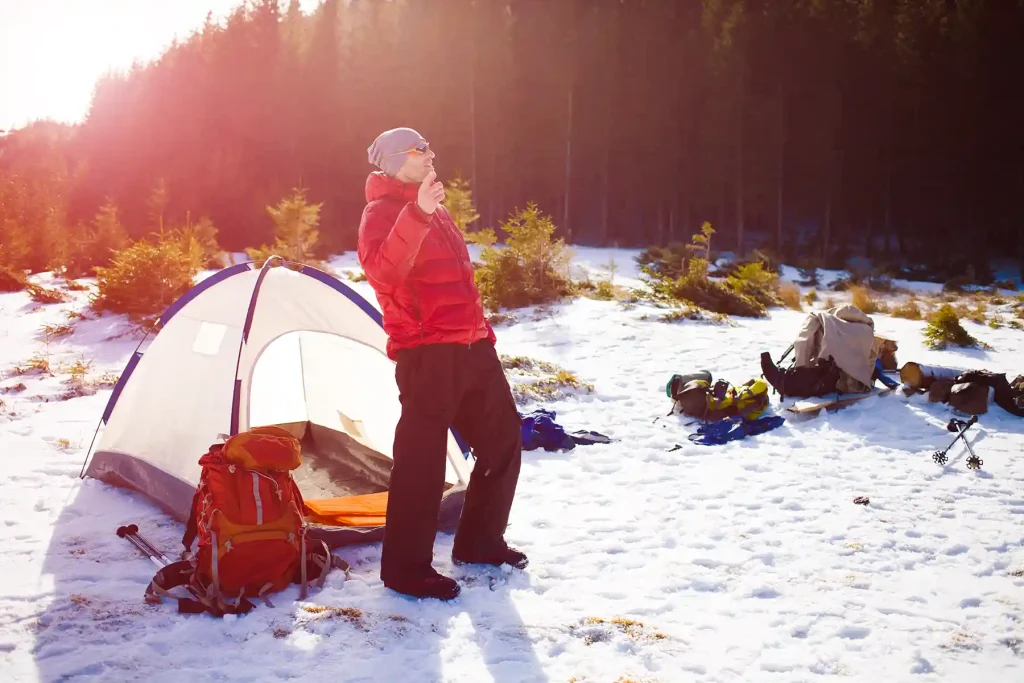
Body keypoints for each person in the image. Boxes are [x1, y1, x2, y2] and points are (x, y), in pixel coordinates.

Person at [357, 127, 526, 601]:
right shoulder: (382, 213)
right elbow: (384, 272)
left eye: (431, 145)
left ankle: (479, 543)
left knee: (503, 442)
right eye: (420, 149)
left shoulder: (433, 206)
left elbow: (458, 281)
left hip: (472, 348)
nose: (432, 153)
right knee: (422, 465)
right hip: (426, 353)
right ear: (394, 161)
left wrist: (482, 332)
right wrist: (419, 213)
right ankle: (407, 571)